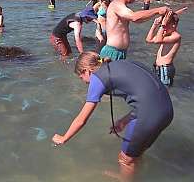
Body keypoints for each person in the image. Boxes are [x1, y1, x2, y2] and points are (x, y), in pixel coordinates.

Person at [52, 51, 173, 182]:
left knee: (125, 159)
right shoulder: (119, 65)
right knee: (135, 154)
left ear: (87, 71)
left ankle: (126, 179)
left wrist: (64, 138)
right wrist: (125, 121)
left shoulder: (97, 78)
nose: (84, 82)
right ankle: (135, 175)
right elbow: (148, 95)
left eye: (81, 78)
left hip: (149, 114)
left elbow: (82, 119)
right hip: (167, 111)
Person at [99, 0, 170, 61]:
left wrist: (156, 20)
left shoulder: (122, 6)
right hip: (111, 53)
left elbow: (137, 20)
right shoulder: (117, 5)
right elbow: (134, 17)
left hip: (120, 52)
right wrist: (158, 10)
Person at [146, 7, 187, 87]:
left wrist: (163, 25)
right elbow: (149, 40)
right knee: (156, 91)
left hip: (165, 69)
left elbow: (158, 41)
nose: (163, 28)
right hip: (157, 67)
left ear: (173, 25)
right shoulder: (165, 34)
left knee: (164, 93)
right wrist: (154, 25)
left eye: (166, 25)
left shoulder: (176, 36)